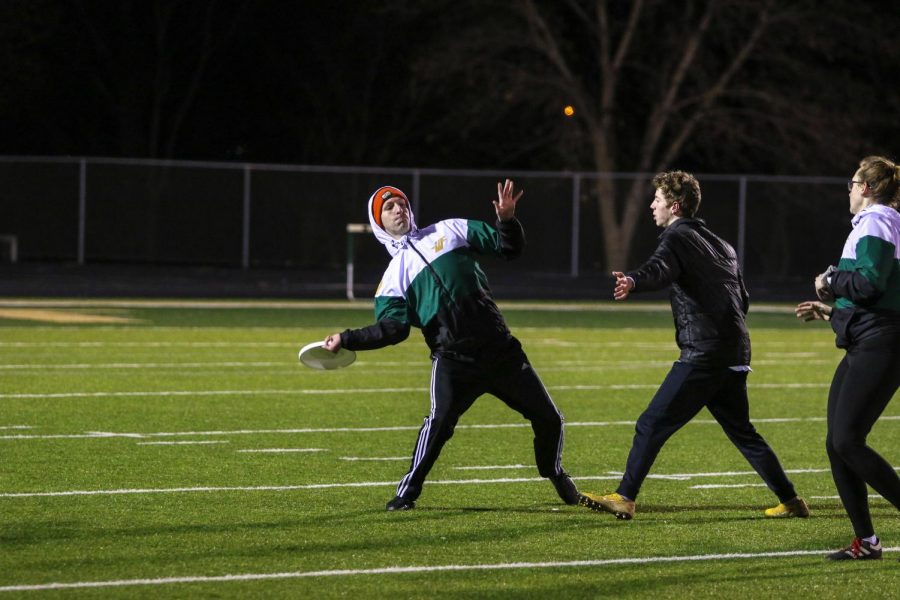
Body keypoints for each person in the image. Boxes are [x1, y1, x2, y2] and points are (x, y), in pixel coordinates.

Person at [323, 180, 579, 511]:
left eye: (401, 203)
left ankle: (555, 473)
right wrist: (347, 338)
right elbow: (393, 330)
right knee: (439, 423)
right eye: (388, 207)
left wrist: (506, 219)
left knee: (549, 419)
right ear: (378, 223)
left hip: (500, 350)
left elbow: (508, 247)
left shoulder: (450, 229)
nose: (398, 209)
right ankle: (406, 493)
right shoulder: (392, 278)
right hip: (453, 359)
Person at [579, 170, 808, 520]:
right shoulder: (722, 244)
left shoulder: (677, 238)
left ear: (674, 206)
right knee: (743, 432)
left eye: (656, 200)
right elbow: (741, 299)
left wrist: (633, 281)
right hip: (735, 348)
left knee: (651, 423)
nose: (652, 206)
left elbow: (659, 269)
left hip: (705, 352)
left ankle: (625, 496)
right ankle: (791, 501)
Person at [795, 155, 900, 560]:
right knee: (837, 443)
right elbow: (877, 294)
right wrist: (831, 309)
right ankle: (867, 542)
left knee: (847, 441)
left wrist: (829, 280)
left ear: (868, 188)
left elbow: (870, 284)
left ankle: (869, 540)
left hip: (881, 342)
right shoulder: (879, 222)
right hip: (871, 338)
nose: (850, 189)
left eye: (854, 182)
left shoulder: (876, 220)